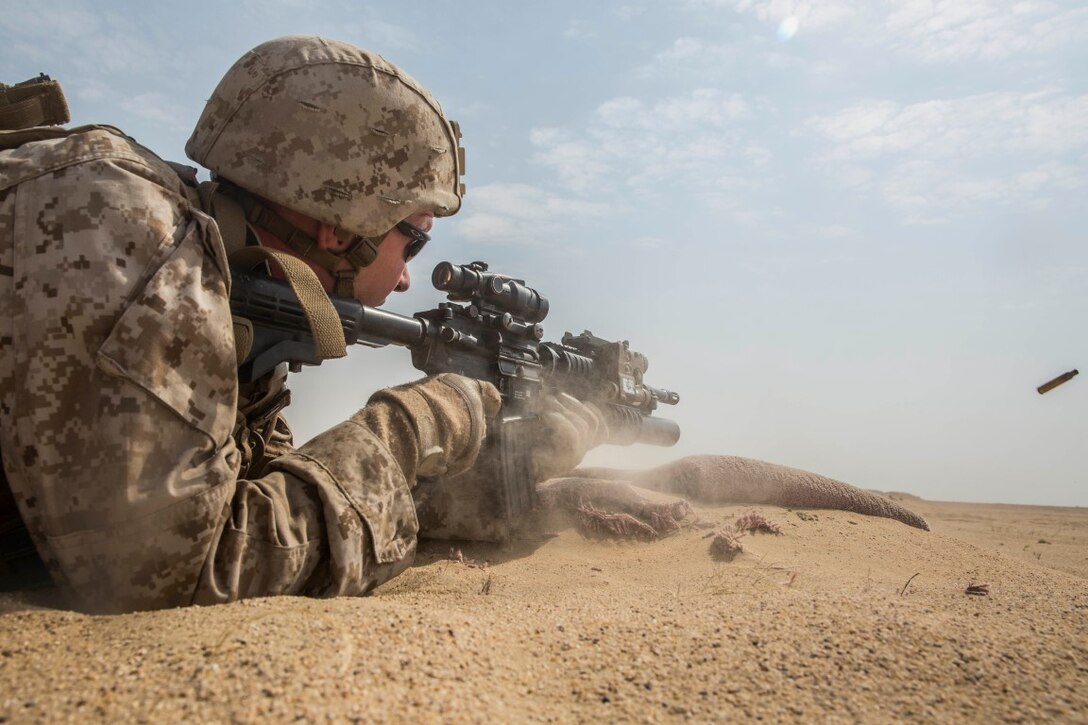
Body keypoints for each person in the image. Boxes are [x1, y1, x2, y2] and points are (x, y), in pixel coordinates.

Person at [0, 36, 603, 613]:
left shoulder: (229, 291)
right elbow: (178, 571)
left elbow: (275, 510)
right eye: (412, 244)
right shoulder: (114, 224)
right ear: (343, 227)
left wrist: (503, 477)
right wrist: (411, 424)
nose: (403, 283)